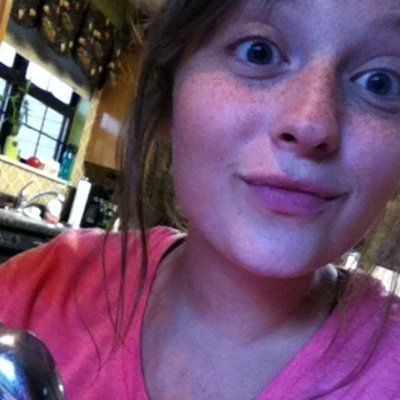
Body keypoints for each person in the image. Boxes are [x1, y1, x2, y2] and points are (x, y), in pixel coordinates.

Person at [1, 0, 400, 398]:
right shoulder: (30, 294)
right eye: (258, 52)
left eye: (381, 82)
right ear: (168, 94)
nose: (311, 125)